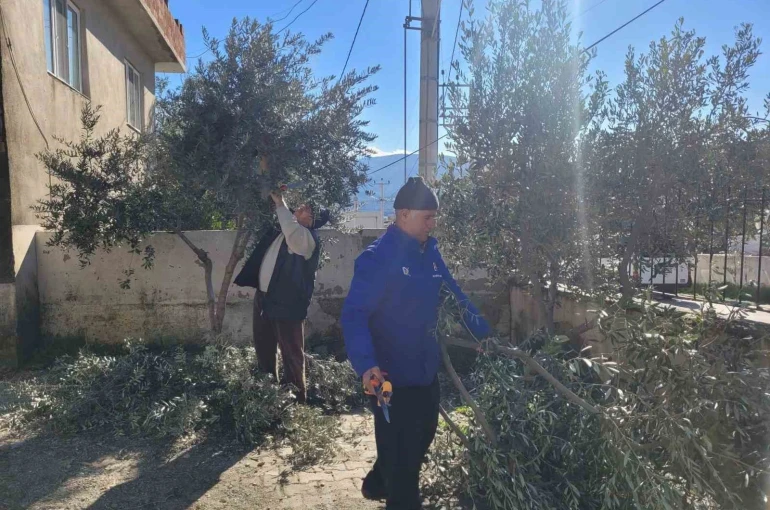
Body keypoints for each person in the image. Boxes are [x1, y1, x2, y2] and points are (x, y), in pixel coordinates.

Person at [341, 176, 491, 509]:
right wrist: (366, 365)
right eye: (427, 217)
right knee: (405, 471)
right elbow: (354, 315)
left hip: (424, 372)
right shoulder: (378, 259)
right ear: (404, 214)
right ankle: (396, 490)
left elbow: (456, 297)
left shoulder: (430, 255)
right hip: (388, 379)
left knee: (423, 437)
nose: (432, 224)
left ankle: (378, 481)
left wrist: (486, 336)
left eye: (434, 217)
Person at [234, 191, 329, 404]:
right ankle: (268, 395)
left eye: (308, 210)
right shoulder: (285, 229)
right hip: (265, 298)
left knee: (291, 354)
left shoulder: (306, 238)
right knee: (263, 347)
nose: (303, 207)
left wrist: (280, 202)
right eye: (305, 205)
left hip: (288, 304)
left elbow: (291, 231)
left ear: (312, 222)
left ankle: (296, 404)